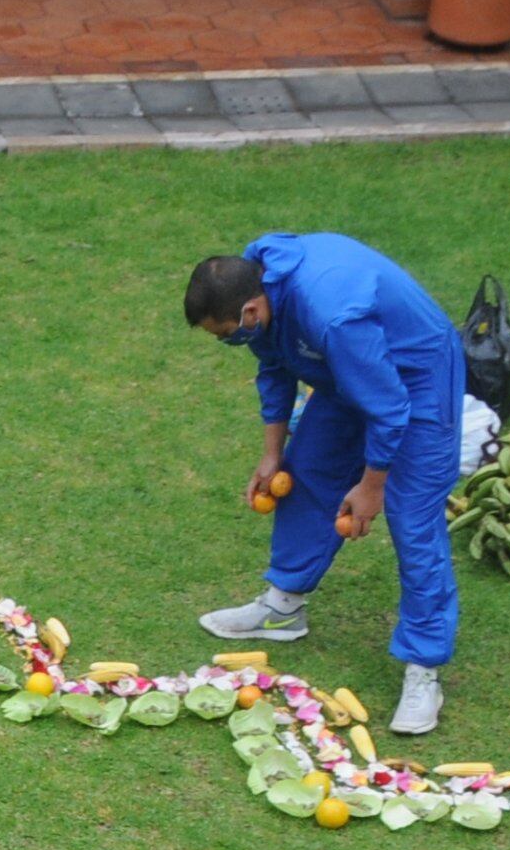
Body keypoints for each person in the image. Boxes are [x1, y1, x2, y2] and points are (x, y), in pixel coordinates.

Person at [184, 236, 469, 736]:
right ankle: (283, 609)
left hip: (416, 375)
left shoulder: (332, 313)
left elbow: (387, 406)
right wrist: (273, 452)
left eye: (229, 335)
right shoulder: (263, 289)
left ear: (251, 309)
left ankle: (424, 670)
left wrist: (372, 485)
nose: (231, 343)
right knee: (307, 470)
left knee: (412, 518)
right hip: (345, 369)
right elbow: (274, 365)